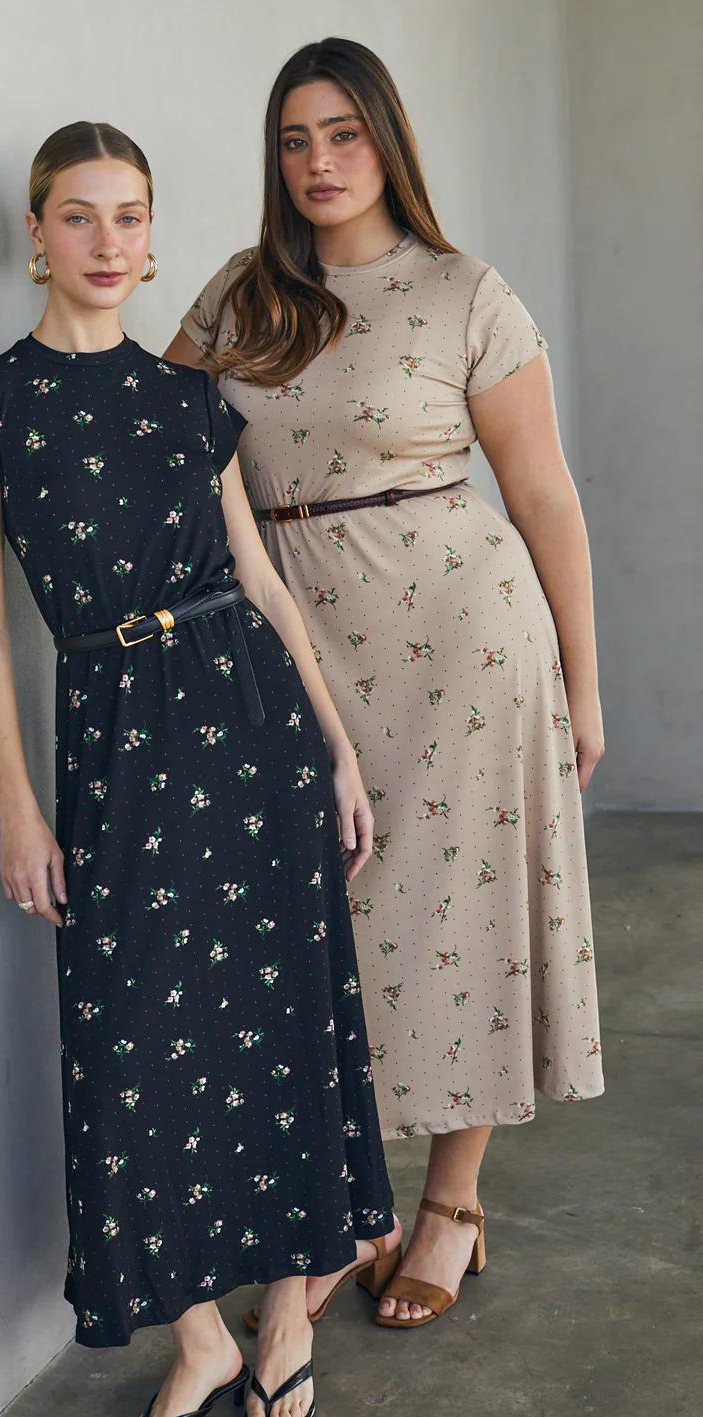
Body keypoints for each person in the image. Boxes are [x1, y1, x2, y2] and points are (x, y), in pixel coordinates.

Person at [0, 120, 398, 1417]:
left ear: (151, 236)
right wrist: (18, 805)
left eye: (130, 216)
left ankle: (287, 1310)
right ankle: (197, 1335)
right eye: (79, 216)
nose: (108, 242)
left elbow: (260, 583)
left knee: (284, 1018)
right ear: (35, 235)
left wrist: (337, 749)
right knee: (130, 1043)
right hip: (115, 741)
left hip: (251, 723)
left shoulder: (191, 400)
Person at [165, 36, 605, 1331]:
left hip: (462, 640)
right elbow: (158, 436)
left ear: (387, 140)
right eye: (295, 139)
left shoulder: (465, 292)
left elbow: (543, 495)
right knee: (318, 934)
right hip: (292, 644)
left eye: (343, 133)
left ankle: (451, 1204)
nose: (319, 161)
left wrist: (585, 684)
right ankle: (347, 1207)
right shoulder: (243, 294)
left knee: (459, 920)